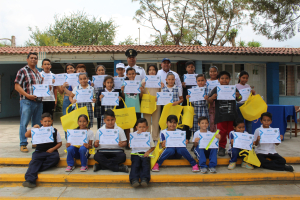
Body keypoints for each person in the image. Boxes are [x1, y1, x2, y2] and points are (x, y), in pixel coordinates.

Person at [23, 113, 62, 188]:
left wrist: (52, 149)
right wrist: (33, 128)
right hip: (39, 151)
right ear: (41, 122)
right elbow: (26, 135)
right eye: (45, 121)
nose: (47, 123)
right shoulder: (38, 130)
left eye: (49, 121)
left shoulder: (55, 131)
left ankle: (34, 169)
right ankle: (29, 180)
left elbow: (59, 143)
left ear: (52, 121)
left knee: (55, 159)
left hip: (51, 152)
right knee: (35, 160)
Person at [15, 52, 43, 152]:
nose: (33, 60)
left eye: (35, 58)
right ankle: (23, 143)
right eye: (31, 58)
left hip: (38, 102)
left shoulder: (38, 72)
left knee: (36, 123)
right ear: (27, 59)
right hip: (26, 101)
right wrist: (27, 95)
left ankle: (35, 142)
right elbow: (17, 86)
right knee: (24, 123)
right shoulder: (22, 71)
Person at [208, 71, 241, 156]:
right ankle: (222, 148)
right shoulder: (216, 89)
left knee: (231, 132)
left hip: (232, 115)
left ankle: (232, 147)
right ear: (218, 79)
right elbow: (209, 100)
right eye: (222, 78)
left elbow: (240, 99)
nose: (224, 80)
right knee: (221, 132)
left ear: (230, 79)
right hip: (220, 116)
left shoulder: (233, 88)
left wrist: (238, 96)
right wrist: (212, 97)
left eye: (226, 78)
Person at [121, 67, 144, 148]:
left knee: (136, 126)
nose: (131, 75)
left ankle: (134, 142)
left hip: (136, 108)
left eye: (133, 74)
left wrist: (141, 91)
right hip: (127, 107)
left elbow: (140, 97)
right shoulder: (124, 83)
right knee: (127, 127)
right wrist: (123, 90)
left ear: (135, 74)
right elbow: (123, 97)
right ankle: (128, 142)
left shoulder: (139, 83)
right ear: (126, 74)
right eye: (129, 74)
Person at [129, 118, 155, 187]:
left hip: (145, 153)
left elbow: (153, 147)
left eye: (144, 127)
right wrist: (133, 141)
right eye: (140, 127)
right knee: (135, 165)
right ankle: (134, 180)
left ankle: (145, 179)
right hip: (135, 153)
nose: (142, 129)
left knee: (145, 165)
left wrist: (148, 152)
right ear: (136, 127)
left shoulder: (148, 135)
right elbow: (129, 145)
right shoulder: (133, 135)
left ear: (147, 127)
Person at [141, 64, 161, 142]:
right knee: (147, 120)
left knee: (156, 120)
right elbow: (141, 92)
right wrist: (142, 86)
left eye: (153, 70)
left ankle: (155, 137)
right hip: (147, 103)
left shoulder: (159, 80)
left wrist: (162, 86)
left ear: (156, 71)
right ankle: (147, 136)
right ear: (148, 71)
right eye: (150, 70)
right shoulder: (144, 80)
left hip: (156, 102)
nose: (151, 71)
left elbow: (161, 92)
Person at [186, 74, 209, 141]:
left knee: (204, 125)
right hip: (195, 110)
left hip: (204, 109)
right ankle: (195, 142)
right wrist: (188, 98)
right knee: (195, 126)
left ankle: (204, 141)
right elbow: (191, 101)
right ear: (196, 81)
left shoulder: (208, 89)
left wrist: (208, 98)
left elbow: (210, 101)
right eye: (198, 81)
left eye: (202, 80)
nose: (200, 82)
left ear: (205, 81)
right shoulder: (193, 89)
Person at [181, 61, 196, 146]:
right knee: (186, 120)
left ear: (194, 68)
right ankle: (187, 138)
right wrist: (182, 86)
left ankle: (195, 137)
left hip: (195, 100)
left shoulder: (197, 77)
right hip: (186, 101)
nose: (190, 68)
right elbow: (180, 88)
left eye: (192, 67)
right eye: (189, 67)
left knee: (195, 119)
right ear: (186, 68)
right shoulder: (183, 77)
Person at [93, 65, 107, 129]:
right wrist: (92, 86)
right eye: (99, 70)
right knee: (99, 118)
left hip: (107, 101)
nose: (101, 71)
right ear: (96, 72)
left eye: (102, 70)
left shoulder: (108, 79)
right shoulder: (93, 81)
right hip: (98, 101)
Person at [207, 66, 219, 133]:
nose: (213, 73)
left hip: (218, 102)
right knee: (211, 119)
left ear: (217, 72)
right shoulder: (206, 81)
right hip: (209, 103)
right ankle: (211, 134)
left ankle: (216, 135)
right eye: (211, 71)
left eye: (214, 71)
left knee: (217, 120)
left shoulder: (220, 81)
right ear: (209, 73)